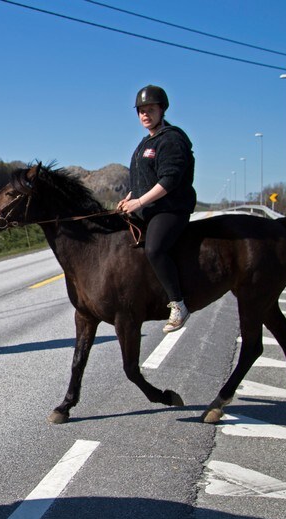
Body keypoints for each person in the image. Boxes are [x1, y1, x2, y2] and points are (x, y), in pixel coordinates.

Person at [117, 85, 197, 333]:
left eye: (150, 109)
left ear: (162, 110)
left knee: (154, 248)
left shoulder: (171, 139)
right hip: (148, 209)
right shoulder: (144, 143)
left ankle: (178, 304)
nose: (145, 114)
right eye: (141, 110)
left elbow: (168, 180)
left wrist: (140, 203)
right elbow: (142, 180)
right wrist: (129, 198)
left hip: (170, 209)